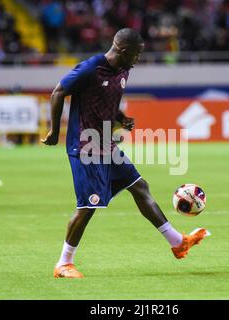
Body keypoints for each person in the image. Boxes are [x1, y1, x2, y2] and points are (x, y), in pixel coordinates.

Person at [41, 28, 208, 278]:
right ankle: (63, 264)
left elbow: (105, 102)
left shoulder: (123, 71)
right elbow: (58, 92)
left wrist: (121, 118)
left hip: (106, 144)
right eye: (137, 53)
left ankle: (177, 242)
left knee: (140, 187)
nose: (139, 58)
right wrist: (55, 131)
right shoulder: (90, 68)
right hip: (85, 146)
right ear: (123, 50)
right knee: (88, 206)